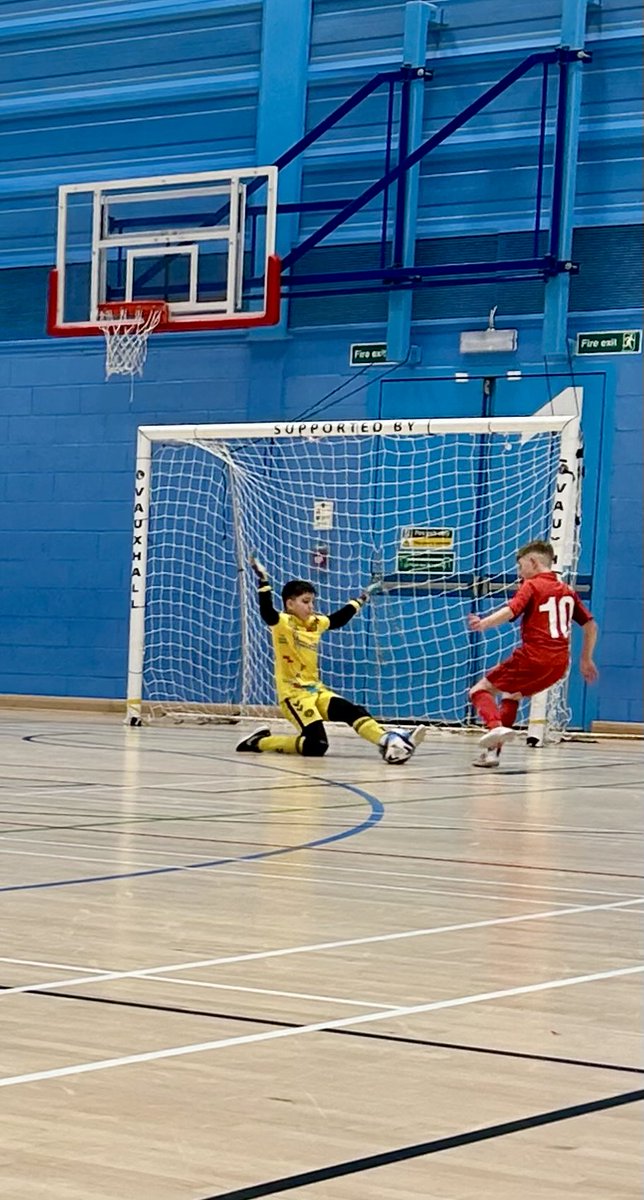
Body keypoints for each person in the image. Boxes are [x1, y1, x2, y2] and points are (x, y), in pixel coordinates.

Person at [235, 556, 425, 764]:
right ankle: (259, 742)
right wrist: (263, 581)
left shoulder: (315, 622)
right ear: (290, 604)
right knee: (316, 746)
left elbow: (338, 619)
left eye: (312, 602)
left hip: (316, 691)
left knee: (353, 711)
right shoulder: (282, 622)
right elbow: (267, 612)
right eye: (305, 602)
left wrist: (363, 597)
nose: (310, 607)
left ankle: (388, 740)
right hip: (294, 695)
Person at [466, 539, 598, 768]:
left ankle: (495, 726)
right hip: (558, 664)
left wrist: (483, 623)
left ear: (533, 562)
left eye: (520, 566)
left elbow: (510, 610)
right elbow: (590, 626)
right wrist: (585, 659)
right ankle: (492, 754)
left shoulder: (533, 585)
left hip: (533, 657)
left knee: (479, 690)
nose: (519, 572)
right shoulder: (567, 590)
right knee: (512, 695)